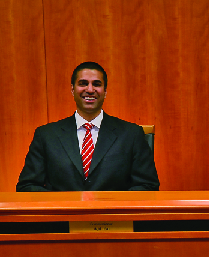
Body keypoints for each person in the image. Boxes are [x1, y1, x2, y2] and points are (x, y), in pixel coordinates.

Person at [17, 61, 159, 191]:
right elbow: (27, 186)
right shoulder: (46, 135)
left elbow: (148, 186)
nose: (90, 90)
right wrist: (62, 205)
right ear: (72, 90)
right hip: (63, 217)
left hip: (114, 217)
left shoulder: (131, 134)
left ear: (105, 91)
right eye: (83, 83)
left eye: (96, 84)